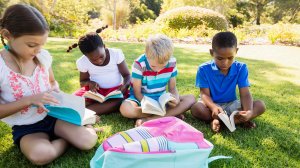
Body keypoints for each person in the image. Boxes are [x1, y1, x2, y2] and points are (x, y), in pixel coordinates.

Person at [0, 4, 98, 165]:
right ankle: (67, 140)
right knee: (40, 155)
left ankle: (76, 132)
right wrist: (30, 100)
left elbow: (52, 82)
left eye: (42, 45)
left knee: (87, 141)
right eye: (32, 45)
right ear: (7, 35)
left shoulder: (43, 57)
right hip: (27, 128)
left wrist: (55, 90)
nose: (38, 50)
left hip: (54, 116)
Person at [191, 32, 266, 133]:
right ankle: (229, 120)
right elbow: (204, 94)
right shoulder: (203, 69)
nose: (225, 62)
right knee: (196, 108)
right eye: (220, 58)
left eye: (230, 58)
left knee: (260, 105)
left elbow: (245, 94)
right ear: (212, 53)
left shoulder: (241, 68)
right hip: (210, 105)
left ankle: (220, 121)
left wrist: (248, 112)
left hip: (231, 104)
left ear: (236, 51)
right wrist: (213, 107)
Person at [119, 34, 195, 126]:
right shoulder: (139, 64)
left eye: (163, 66)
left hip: (161, 100)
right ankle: (170, 113)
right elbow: (137, 92)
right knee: (126, 108)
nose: (158, 70)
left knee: (191, 99)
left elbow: (172, 88)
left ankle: (151, 119)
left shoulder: (171, 62)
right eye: (154, 66)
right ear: (147, 55)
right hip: (142, 100)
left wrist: (175, 99)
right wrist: (149, 105)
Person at [69, 28, 131, 115]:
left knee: (120, 101)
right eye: (93, 60)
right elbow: (82, 82)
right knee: (71, 101)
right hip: (96, 93)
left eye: (101, 56)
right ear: (86, 56)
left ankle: (85, 111)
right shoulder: (82, 62)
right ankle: (93, 107)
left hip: (115, 92)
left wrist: (125, 85)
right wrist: (90, 83)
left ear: (104, 47)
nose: (99, 61)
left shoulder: (115, 54)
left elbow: (127, 75)